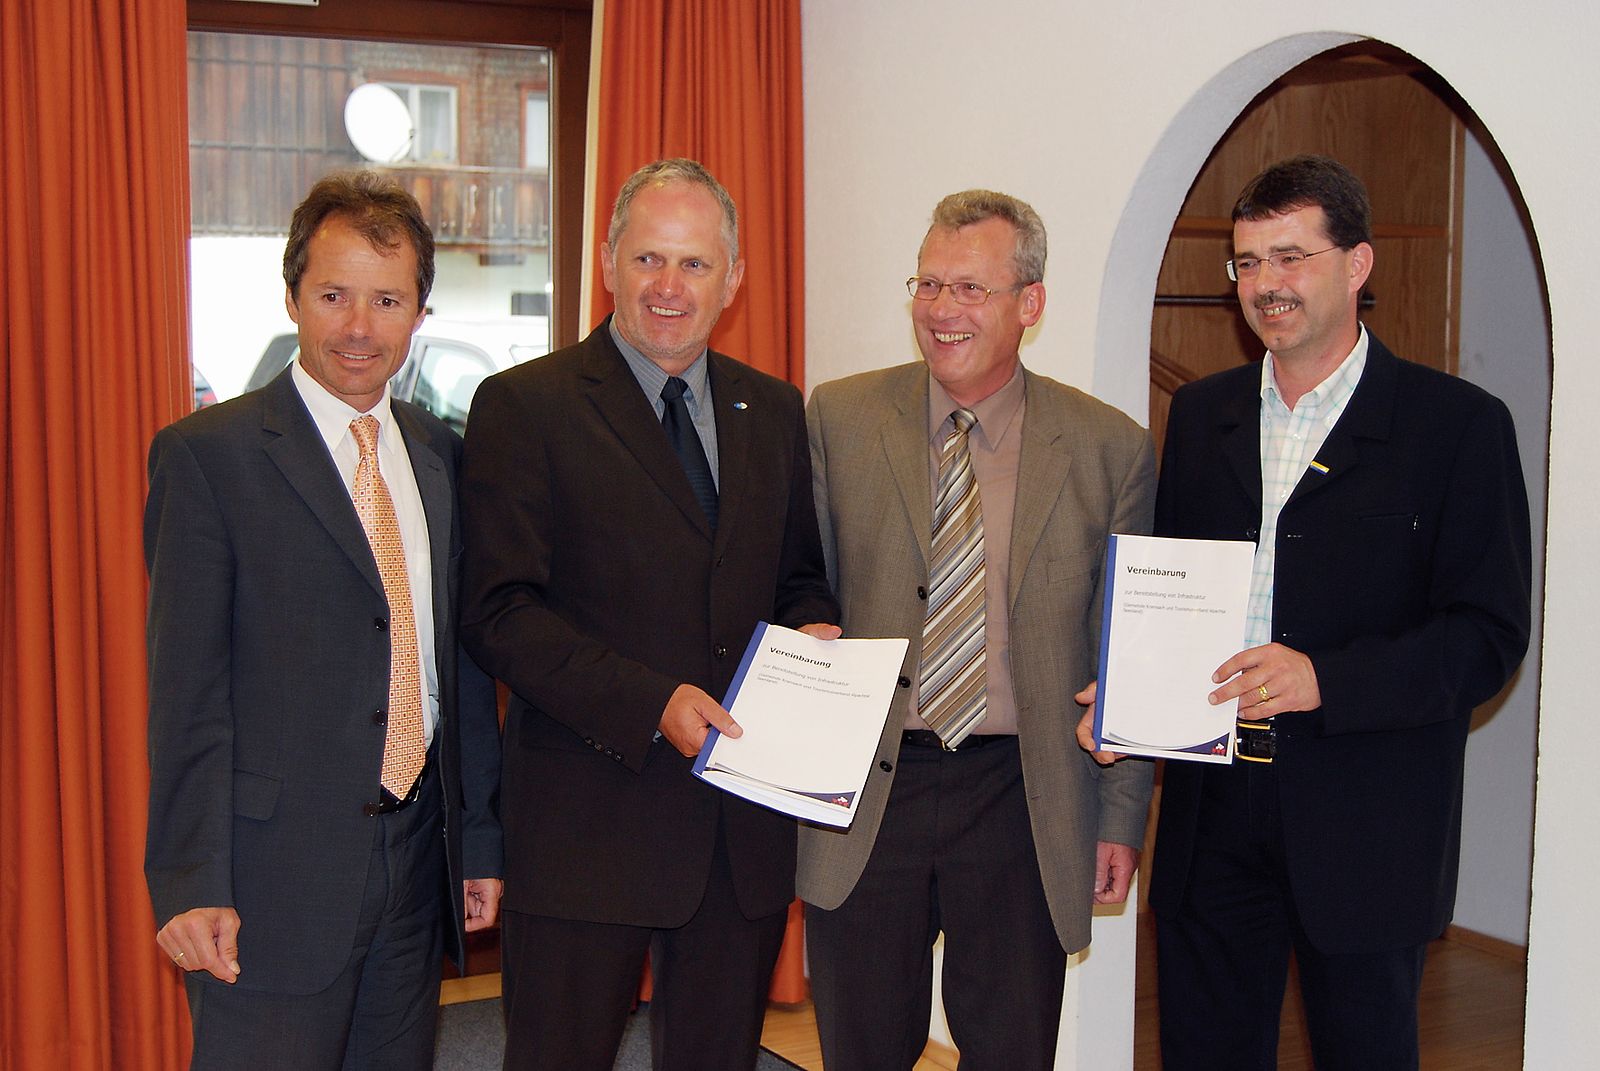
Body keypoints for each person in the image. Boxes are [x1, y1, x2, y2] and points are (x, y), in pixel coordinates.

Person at [1126, 155, 1532, 1070]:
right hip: (1212, 809)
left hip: (1367, 822)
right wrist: (1133, 684)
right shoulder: (1201, 414)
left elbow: (1487, 635)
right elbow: (1176, 592)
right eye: (1247, 262)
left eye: (1291, 257)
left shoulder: (1456, 426)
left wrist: (1326, 679)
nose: (1265, 283)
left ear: (1358, 264)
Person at [458, 158, 839, 1071]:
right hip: (586, 826)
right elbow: (499, 611)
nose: (670, 286)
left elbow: (798, 576)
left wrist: (814, 632)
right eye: (648, 259)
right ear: (608, 263)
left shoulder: (773, 409)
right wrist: (650, 701)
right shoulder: (525, 405)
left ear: (732, 279)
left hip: (737, 838)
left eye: (694, 264)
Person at [144, 169, 504, 1069]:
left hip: (415, 864)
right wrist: (190, 879)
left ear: (419, 313)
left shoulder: (440, 452)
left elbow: (458, 667)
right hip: (269, 880)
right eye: (335, 295)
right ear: (293, 296)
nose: (359, 328)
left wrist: (478, 839)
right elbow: (186, 692)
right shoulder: (209, 458)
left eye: (387, 300)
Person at [796, 189, 1156, 1070]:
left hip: (1022, 792)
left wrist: (1121, 814)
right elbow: (804, 585)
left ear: (1030, 303)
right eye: (928, 284)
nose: (941, 309)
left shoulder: (1108, 447)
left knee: (1011, 1049)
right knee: (861, 1048)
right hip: (871, 788)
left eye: (969, 288)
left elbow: (1126, 654)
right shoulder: (839, 418)